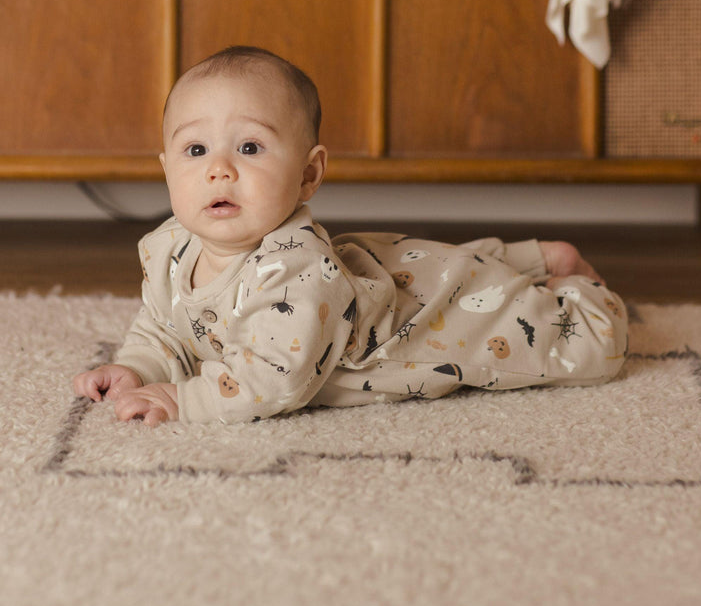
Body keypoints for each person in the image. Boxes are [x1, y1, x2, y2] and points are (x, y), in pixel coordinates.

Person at [73, 45, 628, 426]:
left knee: (575, 344)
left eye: (249, 147)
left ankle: (577, 294)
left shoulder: (299, 275)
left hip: (415, 332)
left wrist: (181, 399)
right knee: (426, 264)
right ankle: (533, 258)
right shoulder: (170, 248)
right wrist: (138, 368)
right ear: (166, 167)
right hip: (391, 271)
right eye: (196, 150)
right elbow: (165, 328)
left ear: (309, 174)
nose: (219, 169)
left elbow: (273, 381)